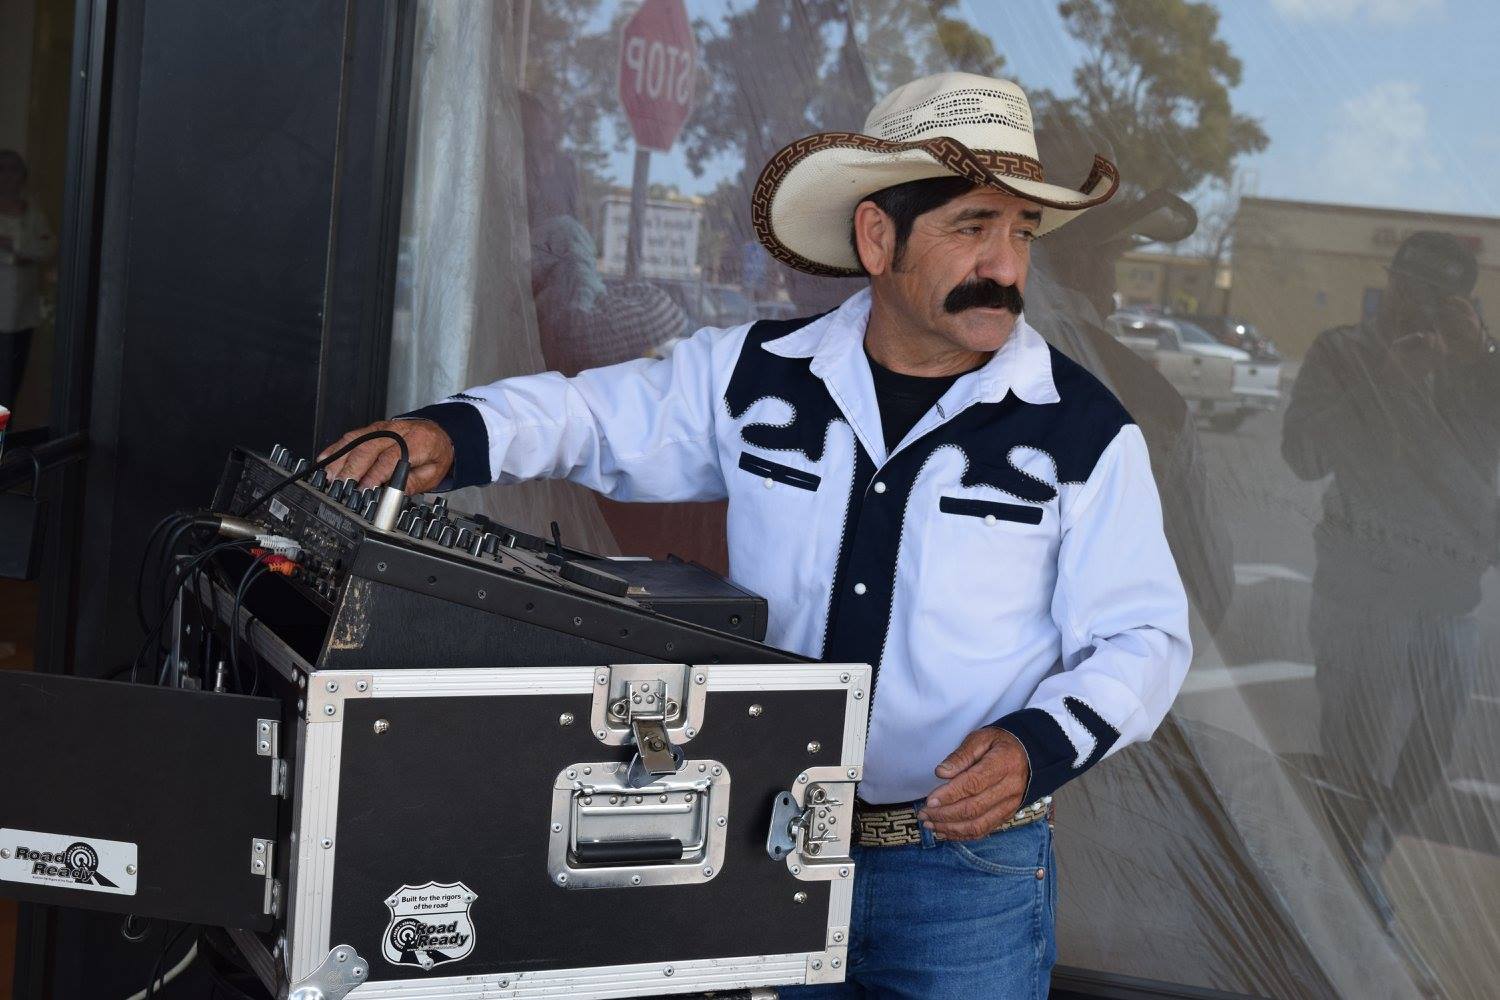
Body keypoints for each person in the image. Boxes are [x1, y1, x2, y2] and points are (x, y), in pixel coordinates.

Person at [322, 73, 1191, 998]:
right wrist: (448, 434)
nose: (1007, 267)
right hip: (766, 843)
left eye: (1022, 232)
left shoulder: (1084, 431)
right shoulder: (756, 373)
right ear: (877, 236)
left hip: (966, 881)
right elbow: (592, 418)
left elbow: (1142, 636)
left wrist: (1034, 747)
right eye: (973, 226)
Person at [1282, 231, 1499, 931]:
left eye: (1444, 297)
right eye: (1413, 289)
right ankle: (1344, 892)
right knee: (1354, 754)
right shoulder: (1345, 352)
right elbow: (1302, 454)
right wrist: (1387, 380)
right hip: (1362, 594)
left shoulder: (1479, 366)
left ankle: (1367, 858)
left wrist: (1481, 359)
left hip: (1450, 598)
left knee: (1429, 757)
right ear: (1390, 283)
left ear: (1465, 303)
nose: (1422, 306)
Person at [0, 150, 56, 406]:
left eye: (14, 169)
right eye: (2, 168)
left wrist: (12, 245)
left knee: (9, 385)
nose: (7, 175)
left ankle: (3, 430)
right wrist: (21, 255)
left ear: (23, 175)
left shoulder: (33, 212)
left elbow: (48, 247)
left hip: (23, 313)